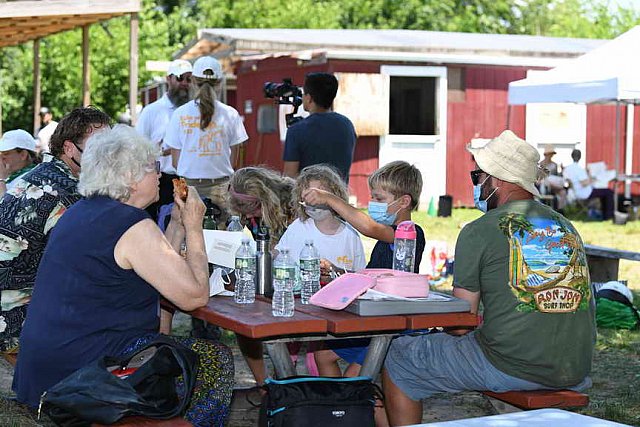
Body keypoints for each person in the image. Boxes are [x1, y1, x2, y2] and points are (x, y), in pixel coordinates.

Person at [13, 125, 234, 426]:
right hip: (86, 371)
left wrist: (179, 225)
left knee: (173, 356)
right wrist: (195, 227)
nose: (159, 174)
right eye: (153, 167)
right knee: (216, 359)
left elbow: (156, 266)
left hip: (48, 365)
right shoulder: (131, 224)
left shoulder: (82, 212)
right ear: (130, 177)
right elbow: (194, 296)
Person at [381, 130, 595, 426]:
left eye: (477, 176)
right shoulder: (565, 225)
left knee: (400, 357)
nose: (477, 184)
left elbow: (459, 323)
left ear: (499, 180)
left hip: (514, 364)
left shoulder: (480, 229)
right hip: (575, 367)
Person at [0, 107, 111, 354]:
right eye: (100, 148)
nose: (108, 156)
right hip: (16, 310)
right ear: (70, 148)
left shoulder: (39, 174)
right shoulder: (69, 192)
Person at [303, 161, 425, 377]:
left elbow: (369, 227)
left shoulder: (409, 233)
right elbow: (372, 279)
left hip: (394, 325)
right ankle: (338, 407)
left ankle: (350, 406)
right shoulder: (385, 239)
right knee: (323, 355)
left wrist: (329, 198)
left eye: (379, 198)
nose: (373, 203)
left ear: (404, 201)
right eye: (372, 197)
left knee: (355, 378)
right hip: (375, 319)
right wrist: (338, 272)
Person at [228, 166, 296, 385]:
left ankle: (284, 384)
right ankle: (262, 384)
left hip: (291, 278)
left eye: (251, 210)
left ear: (266, 200)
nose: (247, 216)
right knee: (243, 322)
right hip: (265, 276)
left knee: (284, 331)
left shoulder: (293, 207)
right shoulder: (251, 214)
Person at [165, 56, 248, 228]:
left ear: (193, 81)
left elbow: (175, 161)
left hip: (188, 187)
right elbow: (237, 158)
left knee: (186, 237)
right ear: (220, 83)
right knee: (223, 241)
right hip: (222, 187)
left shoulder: (180, 114)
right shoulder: (231, 114)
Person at [136, 59, 193, 221]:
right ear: (169, 79)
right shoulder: (152, 111)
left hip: (190, 179)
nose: (184, 83)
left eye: (189, 79)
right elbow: (137, 148)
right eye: (180, 78)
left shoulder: (196, 112)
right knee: (163, 224)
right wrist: (160, 151)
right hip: (163, 181)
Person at [282, 72, 356, 182]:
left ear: (309, 98)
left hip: (308, 197)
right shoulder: (347, 125)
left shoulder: (297, 130)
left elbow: (289, 177)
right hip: (339, 196)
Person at [563, 148, 615, 220]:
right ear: (580, 157)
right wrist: (592, 177)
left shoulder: (567, 169)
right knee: (609, 192)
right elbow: (584, 183)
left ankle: (605, 215)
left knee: (604, 192)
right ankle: (608, 216)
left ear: (572, 156)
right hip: (584, 193)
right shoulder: (579, 169)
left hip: (574, 193)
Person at [0, 129, 39, 197]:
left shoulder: (32, 179)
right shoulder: (13, 176)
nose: (1, 158)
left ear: (23, 155)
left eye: (6, 153)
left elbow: (6, 206)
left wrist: (1, 178)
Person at [539, 145, 567, 211]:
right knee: (547, 181)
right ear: (546, 154)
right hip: (544, 186)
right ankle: (559, 187)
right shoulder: (541, 164)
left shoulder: (555, 165)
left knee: (563, 192)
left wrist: (562, 171)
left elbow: (557, 177)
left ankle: (560, 210)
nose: (551, 156)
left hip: (553, 187)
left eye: (551, 154)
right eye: (550, 154)